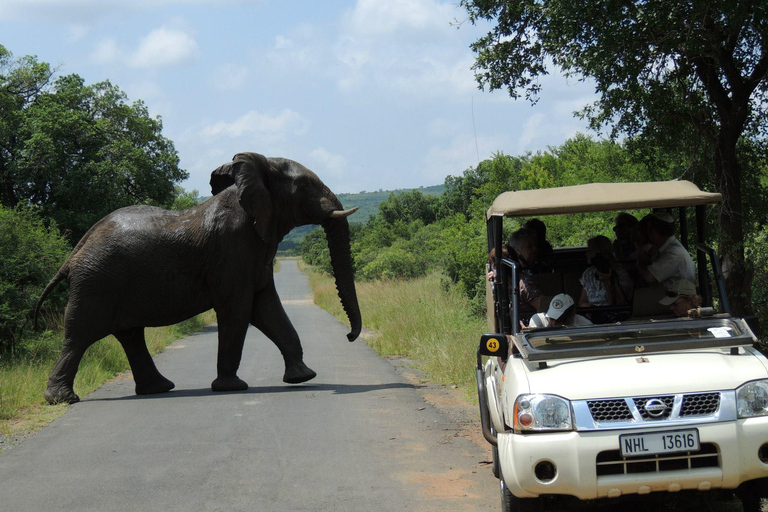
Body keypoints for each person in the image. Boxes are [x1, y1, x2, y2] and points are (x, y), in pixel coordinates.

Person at [637, 211, 696, 287]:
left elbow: (649, 277)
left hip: (679, 296)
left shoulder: (674, 253)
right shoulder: (660, 247)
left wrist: (639, 262)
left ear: (655, 232)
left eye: (649, 231)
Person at [579, 235, 633, 310]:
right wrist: (587, 307)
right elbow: (582, 302)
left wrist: (607, 283)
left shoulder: (619, 273)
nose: (586, 254)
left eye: (589, 251)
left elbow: (619, 304)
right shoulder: (588, 273)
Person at [507, 228, 543, 313]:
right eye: (529, 246)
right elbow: (544, 307)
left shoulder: (536, 267)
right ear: (518, 251)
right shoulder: (523, 281)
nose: (534, 249)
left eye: (534, 245)